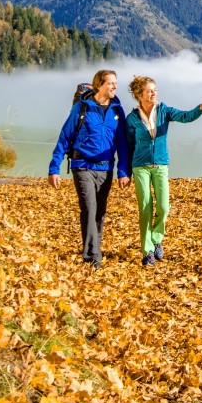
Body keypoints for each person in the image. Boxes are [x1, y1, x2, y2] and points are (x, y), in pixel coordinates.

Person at [48, 69, 130, 270]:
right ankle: (93, 257)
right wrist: (54, 167)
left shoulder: (117, 111)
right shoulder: (82, 108)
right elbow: (65, 136)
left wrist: (123, 171)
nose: (115, 87)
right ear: (99, 85)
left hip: (106, 168)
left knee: (100, 212)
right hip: (82, 166)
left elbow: (122, 144)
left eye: (115, 83)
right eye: (111, 83)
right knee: (89, 208)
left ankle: (93, 249)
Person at [126, 76, 202, 267]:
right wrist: (124, 172)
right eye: (149, 91)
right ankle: (147, 251)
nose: (154, 93)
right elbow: (128, 146)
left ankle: (157, 238)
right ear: (140, 95)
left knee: (164, 207)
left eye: (155, 89)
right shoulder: (131, 119)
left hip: (161, 165)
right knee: (145, 209)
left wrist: (200, 108)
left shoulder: (164, 111)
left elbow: (185, 116)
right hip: (140, 166)